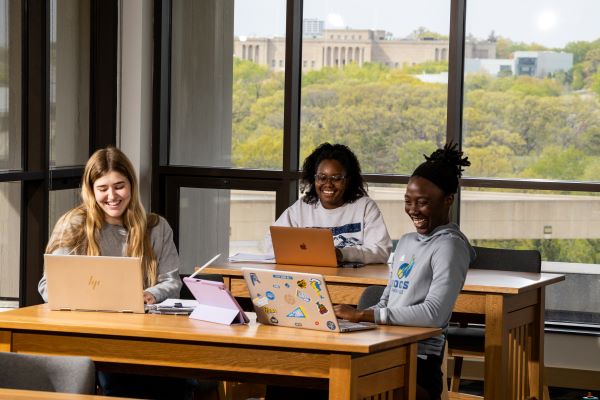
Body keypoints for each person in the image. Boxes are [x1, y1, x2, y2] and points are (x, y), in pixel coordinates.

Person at [37, 146, 199, 399]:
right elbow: (49, 286)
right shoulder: (74, 225)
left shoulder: (157, 227)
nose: (112, 196)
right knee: (122, 379)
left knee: (177, 380)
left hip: (149, 335)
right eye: (102, 189)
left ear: (131, 186)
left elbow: (171, 282)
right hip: (93, 334)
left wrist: (149, 294)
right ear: (91, 191)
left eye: (119, 186)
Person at [334, 143, 475, 400]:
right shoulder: (408, 241)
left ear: (448, 200)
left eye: (422, 203)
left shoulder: (450, 246)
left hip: (417, 364)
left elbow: (434, 314)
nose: (413, 210)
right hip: (384, 349)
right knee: (299, 380)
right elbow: (388, 298)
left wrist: (364, 315)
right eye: (408, 201)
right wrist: (351, 320)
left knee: (336, 382)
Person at [264, 142, 392, 264]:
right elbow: (271, 243)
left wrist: (342, 254)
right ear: (314, 178)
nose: (328, 184)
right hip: (311, 276)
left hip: (352, 278)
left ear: (347, 180)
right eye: (322, 177)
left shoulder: (365, 206)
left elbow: (381, 250)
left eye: (336, 178)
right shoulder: (302, 207)